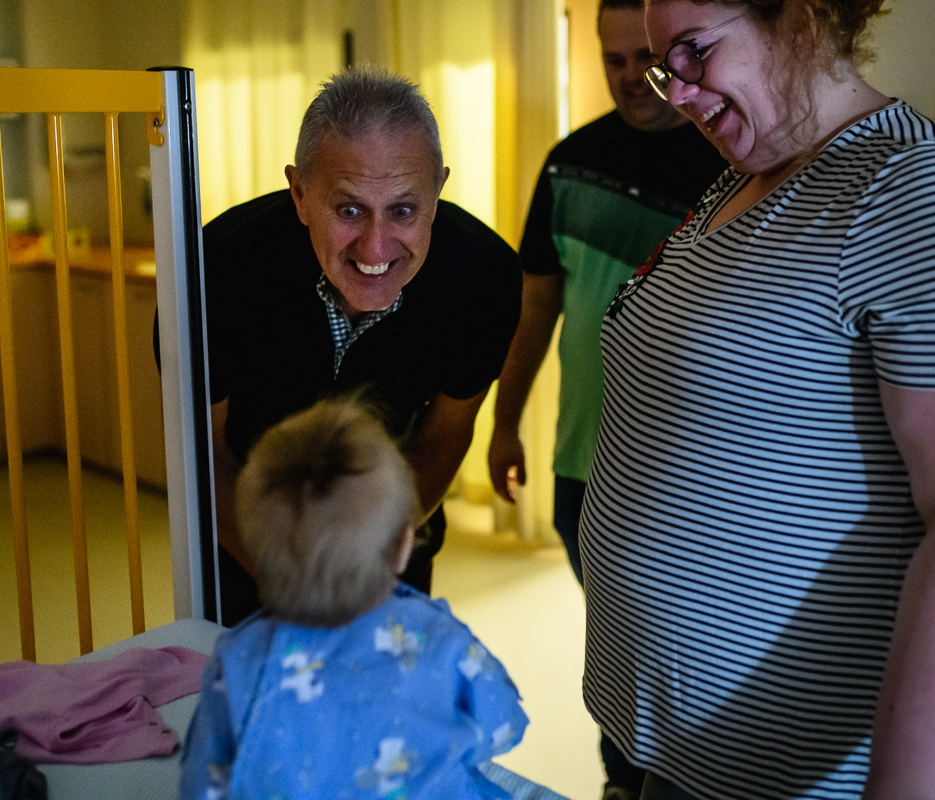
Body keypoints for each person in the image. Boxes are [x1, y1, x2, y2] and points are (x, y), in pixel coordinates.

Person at [578, 2, 935, 799]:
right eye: (669, 67)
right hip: (680, 761)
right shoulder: (746, 182)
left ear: (799, 16)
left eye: (695, 53)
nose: (681, 95)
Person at [487, 2, 726, 797]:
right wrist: (506, 421)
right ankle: (625, 780)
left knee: (681, 652)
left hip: (686, 476)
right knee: (617, 647)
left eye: (645, 58)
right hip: (582, 464)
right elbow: (535, 306)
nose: (632, 78)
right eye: (613, 60)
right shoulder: (569, 163)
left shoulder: (729, 169)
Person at [200, 69, 522, 626]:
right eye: (348, 209)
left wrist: (371, 574)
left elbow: (444, 435)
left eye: (403, 209)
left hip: (390, 555)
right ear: (300, 193)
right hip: (245, 549)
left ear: (438, 189)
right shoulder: (213, 271)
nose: (375, 246)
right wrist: (293, 586)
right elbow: (208, 457)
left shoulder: (483, 278)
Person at [178, 397, 530, 799]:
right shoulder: (440, 639)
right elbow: (503, 725)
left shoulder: (239, 660)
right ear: (403, 546)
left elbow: (201, 786)